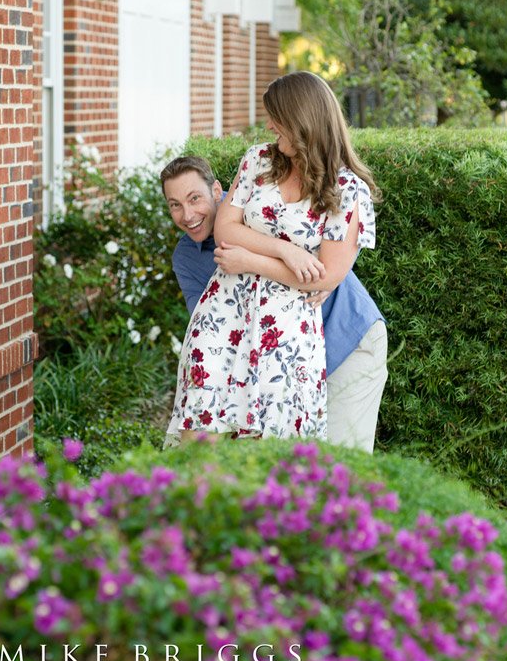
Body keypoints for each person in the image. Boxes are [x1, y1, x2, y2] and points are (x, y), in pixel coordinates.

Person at [162, 71, 387, 446]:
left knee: (315, 467)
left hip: (321, 336)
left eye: (276, 117)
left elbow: (325, 276)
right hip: (230, 324)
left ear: (302, 120)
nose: (268, 126)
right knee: (202, 446)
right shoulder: (258, 161)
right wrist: (287, 251)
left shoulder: (348, 191)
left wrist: (252, 262)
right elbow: (226, 231)